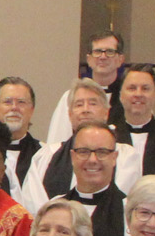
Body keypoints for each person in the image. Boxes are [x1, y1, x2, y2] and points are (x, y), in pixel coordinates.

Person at [20, 79, 112, 212]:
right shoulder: (47, 155)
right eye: (79, 104)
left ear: (106, 112)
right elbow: (32, 202)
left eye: (93, 103)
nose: (85, 110)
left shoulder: (123, 155)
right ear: (69, 114)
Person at [58, 122, 128, 236]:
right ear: (72, 157)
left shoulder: (129, 211)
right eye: (84, 152)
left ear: (114, 158)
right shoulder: (56, 206)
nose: (92, 160)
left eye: (102, 152)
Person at [45, 31, 127, 143]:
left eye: (110, 52)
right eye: (97, 51)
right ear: (89, 59)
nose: (103, 57)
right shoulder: (71, 97)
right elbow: (58, 142)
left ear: (120, 60)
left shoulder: (129, 98)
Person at [111, 64, 155, 191]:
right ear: (120, 95)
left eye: (145, 88)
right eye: (132, 88)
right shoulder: (107, 136)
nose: (138, 94)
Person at [0, 78, 45, 191]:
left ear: (32, 110)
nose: (14, 107)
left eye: (21, 102)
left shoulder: (45, 154)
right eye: (7, 102)